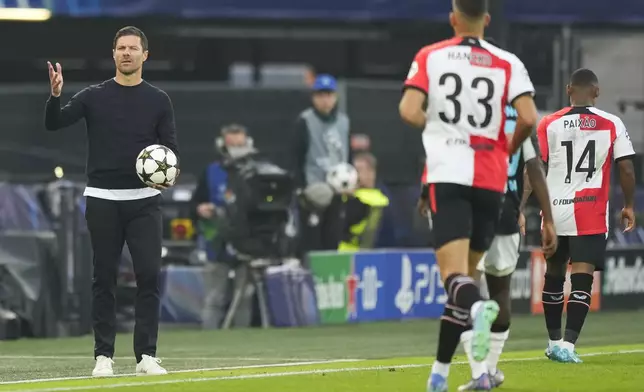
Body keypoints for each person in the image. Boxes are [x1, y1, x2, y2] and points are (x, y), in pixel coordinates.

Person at [399, 1, 547, 390]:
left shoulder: (431, 56)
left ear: (452, 18)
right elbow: (529, 118)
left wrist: (439, 125)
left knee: (456, 280)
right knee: (463, 281)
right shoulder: (508, 62)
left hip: (448, 174)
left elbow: (409, 110)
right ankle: (441, 374)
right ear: (487, 19)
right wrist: (506, 149)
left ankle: (480, 308)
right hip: (490, 180)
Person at [45, 26, 177, 377]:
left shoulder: (159, 100)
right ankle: (103, 356)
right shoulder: (93, 96)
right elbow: (54, 123)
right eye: (121, 48)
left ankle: (146, 356)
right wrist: (55, 95)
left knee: (148, 275)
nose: (127, 53)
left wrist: (169, 174)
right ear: (113, 54)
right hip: (102, 199)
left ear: (145, 55)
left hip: (144, 201)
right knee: (103, 277)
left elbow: (170, 150)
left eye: (133, 48)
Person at [534, 68, 636, 363]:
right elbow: (626, 168)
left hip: (554, 212)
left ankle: (553, 342)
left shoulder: (548, 123)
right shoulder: (611, 123)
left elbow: (536, 169)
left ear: (568, 89)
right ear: (597, 92)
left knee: (553, 277)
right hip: (589, 212)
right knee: (581, 279)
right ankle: (568, 345)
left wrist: (522, 208)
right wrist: (628, 205)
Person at [291, 74, 351, 254]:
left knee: (333, 238)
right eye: (320, 95)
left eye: (328, 95)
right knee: (311, 240)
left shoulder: (344, 121)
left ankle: (330, 280)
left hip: (338, 189)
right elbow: (296, 155)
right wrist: (300, 187)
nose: (325, 100)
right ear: (313, 98)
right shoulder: (305, 121)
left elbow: (348, 152)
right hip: (314, 191)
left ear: (335, 97)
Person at [338, 152, 390, 251]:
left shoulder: (374, 200)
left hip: (354, 252)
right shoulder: (348, 195)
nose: (354, 175)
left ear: (371, 173)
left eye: (359, 170)